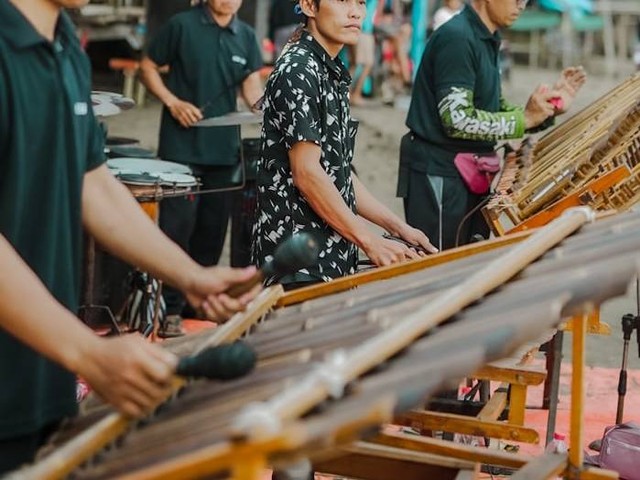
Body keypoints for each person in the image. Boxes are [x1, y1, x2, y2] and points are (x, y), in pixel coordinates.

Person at [0, 0, 260, 474]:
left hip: (42, 372)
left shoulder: (66, 48)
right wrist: (89, 351)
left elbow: (93, 184)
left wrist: (192, 276)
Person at [253, 0, 437, 295]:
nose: (355, 12)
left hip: (333, 251)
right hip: (299, 261)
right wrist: (370, 241)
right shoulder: (298, 69)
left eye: (361, 3)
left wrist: (396, 227)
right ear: (309, 6)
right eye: (343, 1)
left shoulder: (330, 68)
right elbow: (308, 174)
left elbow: (338, 172)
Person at [398, 0, 586, 251]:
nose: (522, 4)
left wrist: (546, 110)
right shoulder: (458, 38)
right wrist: (525, 118)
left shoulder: (486, 37)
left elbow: (493, 109)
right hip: (440, 173)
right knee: (437, 265)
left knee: (467, 262)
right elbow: (457, 119)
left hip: (467, 172)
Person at [140, 0, 264, 337]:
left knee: (211, 234)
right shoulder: (182, 25)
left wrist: (265, 106)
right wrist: (173, 102)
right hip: (180, 149)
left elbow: (251, 87)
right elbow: (148, 66)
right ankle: (169, 309)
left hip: (225, 153)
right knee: (176, 231)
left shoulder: (248, 36)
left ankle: (200, 309)